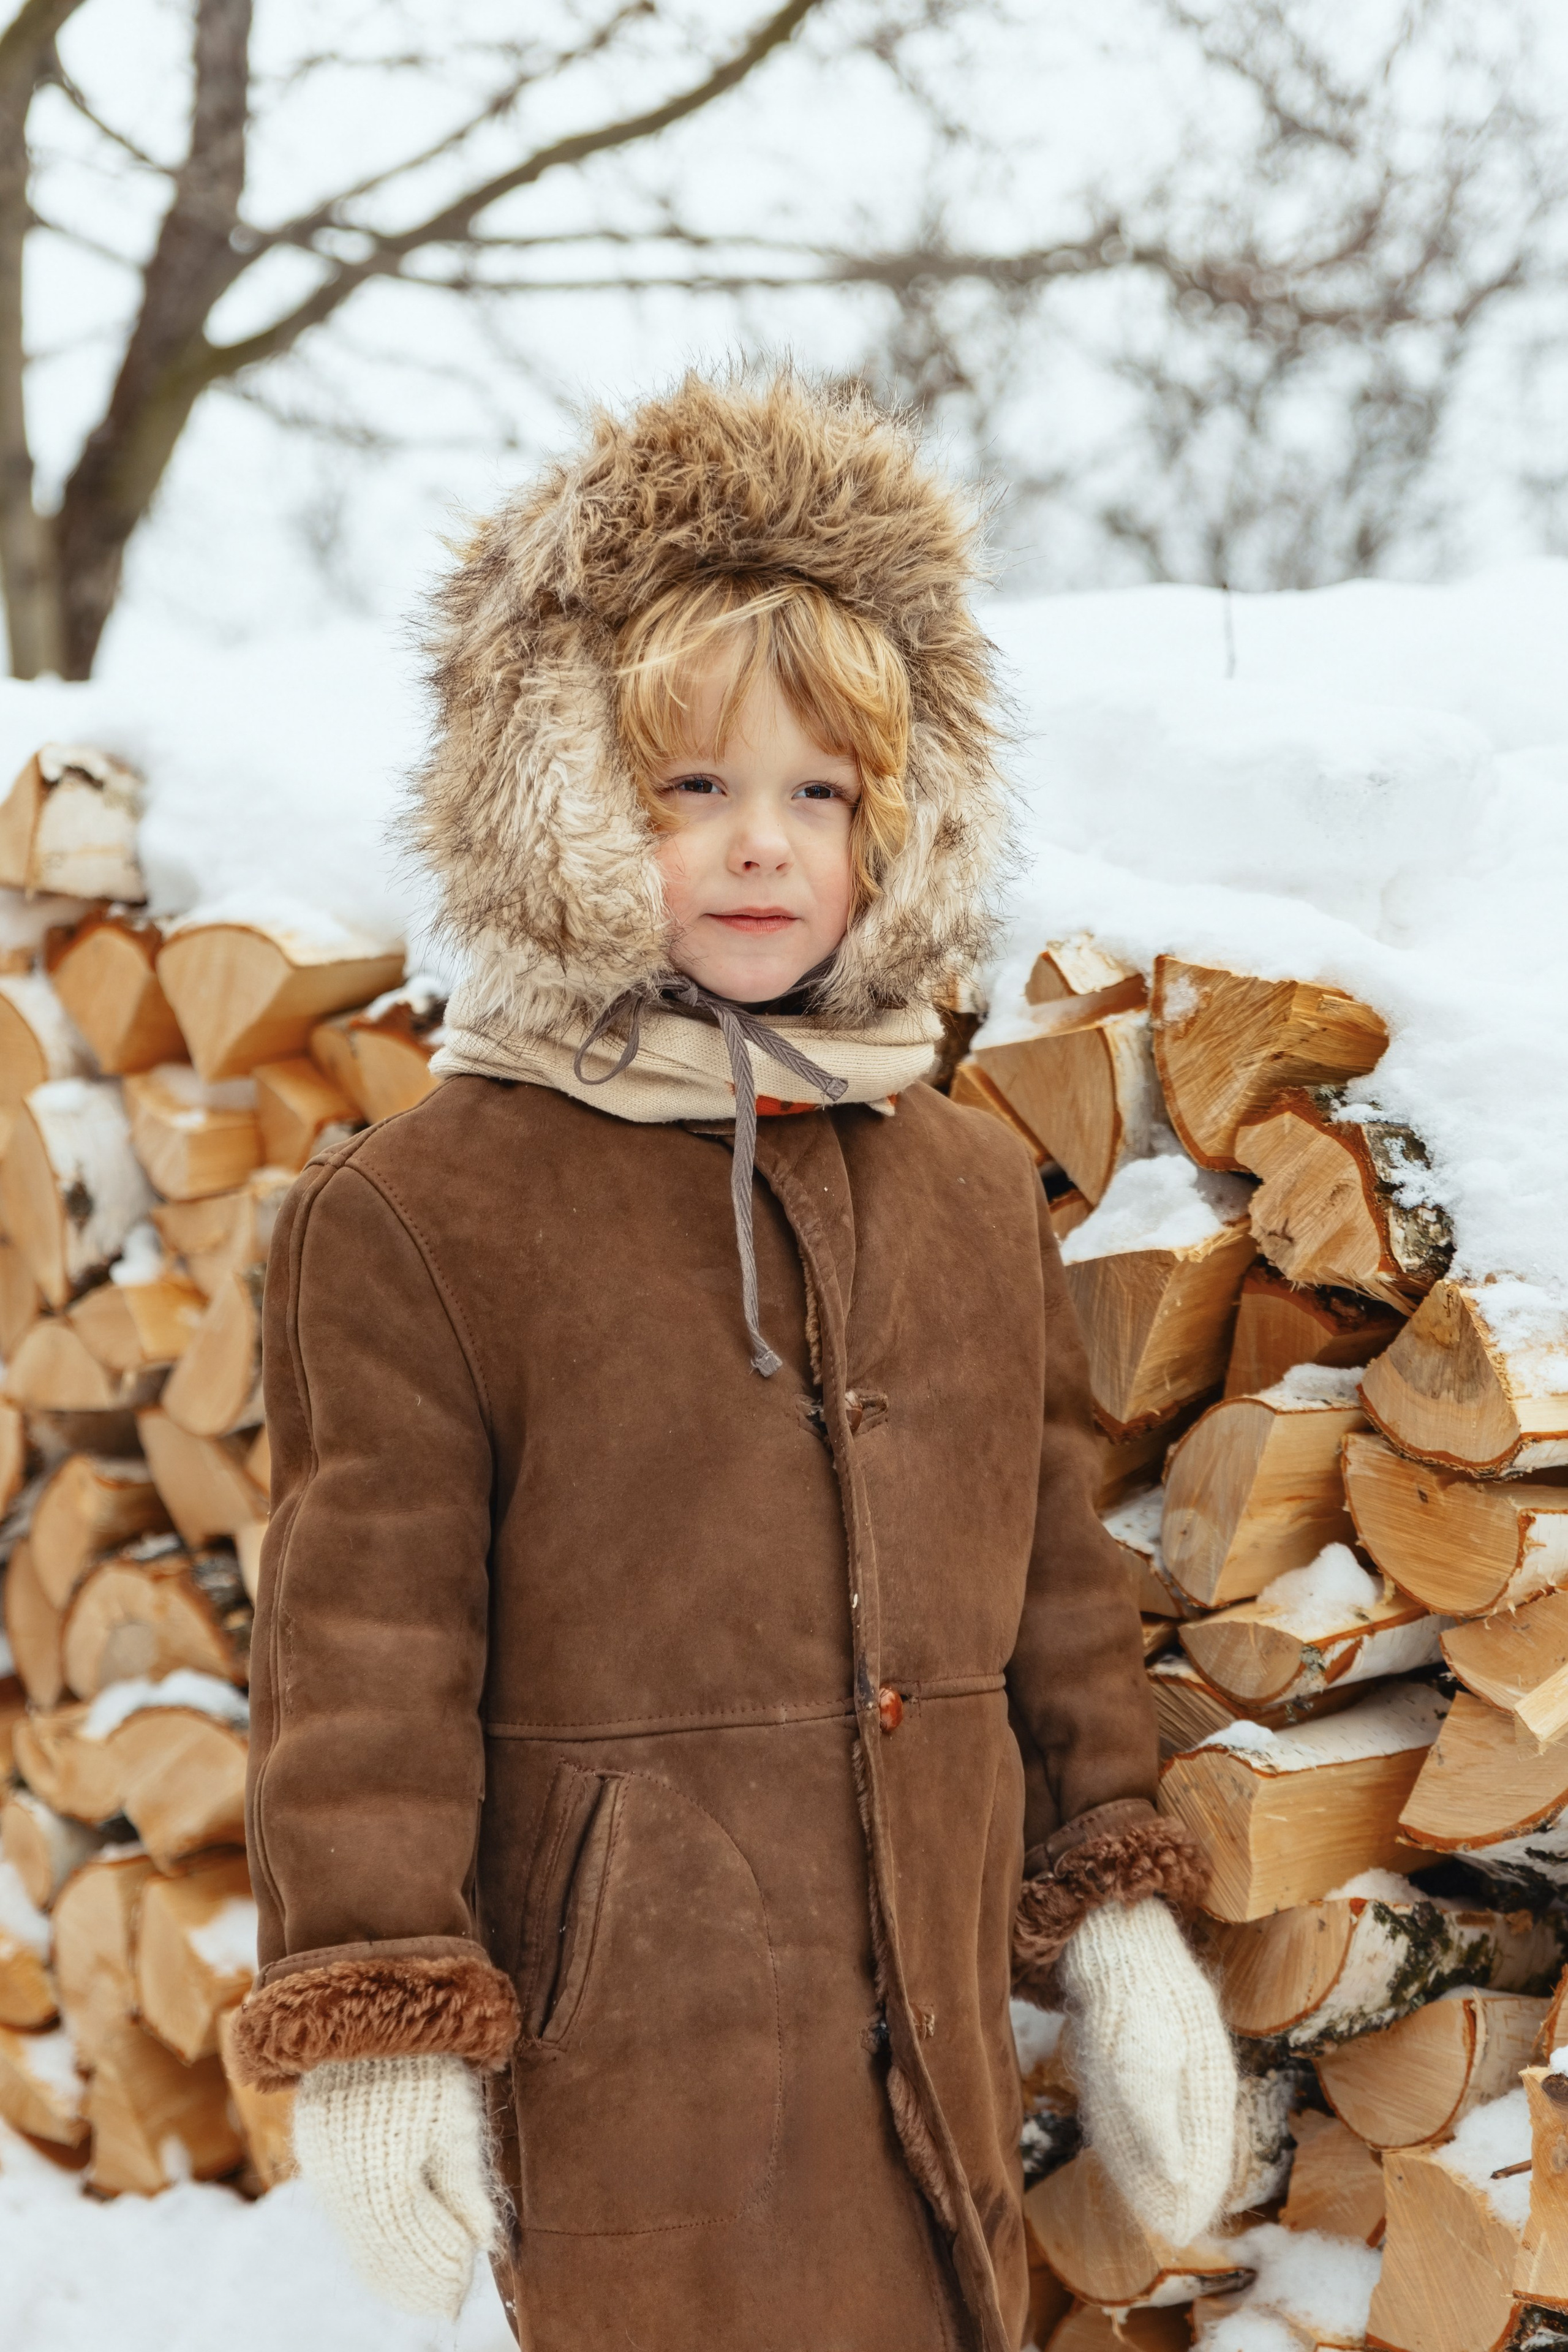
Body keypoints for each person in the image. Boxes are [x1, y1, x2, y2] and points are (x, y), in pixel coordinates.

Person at [230, 371, 1235, 2352]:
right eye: (689, 787)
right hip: (641, 2049)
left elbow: (1049, 1569)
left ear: (903, 819)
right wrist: (376, 2015)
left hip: (934, 2027)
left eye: (821, 793)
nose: (760, 846)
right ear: (557, 800)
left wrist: (1118, 1915)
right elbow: (364, 1644)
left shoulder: (965, 1182)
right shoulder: (429, 1210)